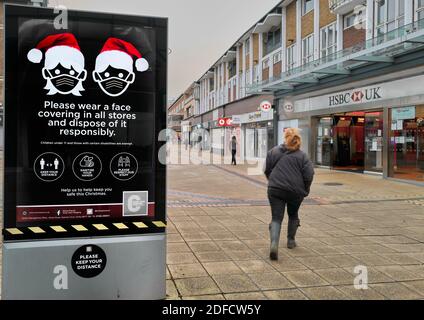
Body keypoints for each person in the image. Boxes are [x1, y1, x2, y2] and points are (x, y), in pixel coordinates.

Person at [264, 128, 314, 261]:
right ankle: (291, 240)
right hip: (295, 192)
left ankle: (274, 244)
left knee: (276, 217)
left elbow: (267, 169)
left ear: (285, 138)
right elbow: (309, 175)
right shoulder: (303, 156)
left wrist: (273, 181)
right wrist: (306, 189)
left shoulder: (273, 152)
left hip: (275, 190)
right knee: (293, 214)